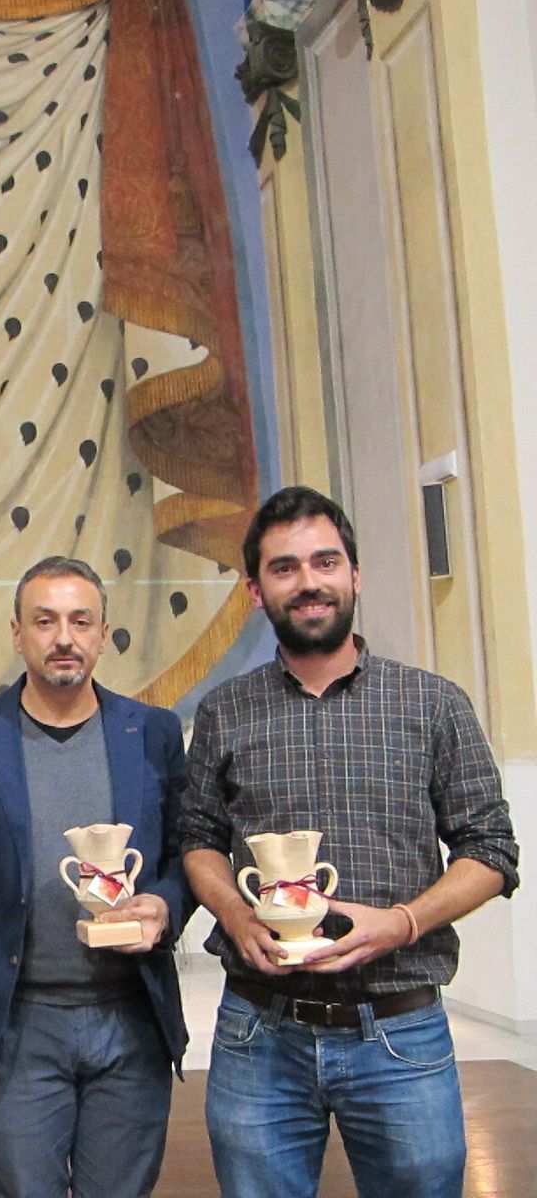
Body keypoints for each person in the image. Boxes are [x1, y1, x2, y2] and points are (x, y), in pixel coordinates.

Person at [179, 485, 520, 1198]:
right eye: (285, 568)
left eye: (325, 562)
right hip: (257, 1032)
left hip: (399, 1030)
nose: (309, 583)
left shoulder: (432, 704)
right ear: (254, 589)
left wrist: (402, 923)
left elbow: (491, 849)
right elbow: (196, 840)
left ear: (354, 575)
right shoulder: (225, 711)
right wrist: (236, 916)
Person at [0, 556, 191, 1198]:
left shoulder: (150, 733)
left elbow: (186, 856)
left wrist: (163, 907)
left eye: (79, 621)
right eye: (44, 621)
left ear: (102, 633)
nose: (63, 637)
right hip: (16, 1020)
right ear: (17, 633)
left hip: (131, 1016)